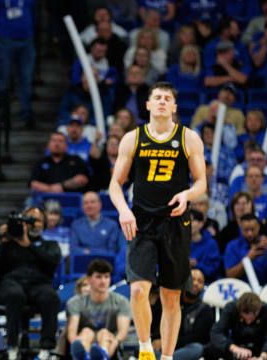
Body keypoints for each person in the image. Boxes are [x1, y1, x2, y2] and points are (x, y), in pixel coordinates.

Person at [108, 81, 207, 360]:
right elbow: (115, 184)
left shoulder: (189, 138)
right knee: (138, 290)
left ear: (174, 107)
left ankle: (167, 356)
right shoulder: (132, 138)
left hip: (175, 222)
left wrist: (188, 194)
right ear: (148, 105)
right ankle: (145, 348)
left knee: (171, 297)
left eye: (167, 98)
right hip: (141, 221)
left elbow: (201, 182)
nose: (162, 101)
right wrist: (123, 210)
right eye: (157, 97)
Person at [0, 207, 61, 360]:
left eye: (38, 220)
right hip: (12, 284)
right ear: (23, 223)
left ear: (44, 224)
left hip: (39, 285)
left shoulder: (50, 245)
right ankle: (12, 347)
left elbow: (52, 264)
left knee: (51, 296)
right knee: (15, 294)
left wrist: (29, 245)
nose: (34, 224)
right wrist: (4, 243)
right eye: (30, 220)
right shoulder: (8, 244)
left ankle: (45, 349)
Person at [67, 259, 131, 360]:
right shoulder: (75, 302)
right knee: (86, 332)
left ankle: (102, 355)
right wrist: (75, 343)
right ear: (88, 279)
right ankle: (85, 356)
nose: (103, 281)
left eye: (106, 277)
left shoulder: (121, 301)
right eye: (98, 277)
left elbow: (123, 331)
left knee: (104, 333)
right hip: (84, 338)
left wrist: (115, 343)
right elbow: (72, 332)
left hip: (109, 341)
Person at [204, 292, 267, 360]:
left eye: (252, 318)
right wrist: (234, 348)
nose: (248, 322)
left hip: (259, 349)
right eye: (245, 318)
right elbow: (216, 332)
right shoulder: (231, 307)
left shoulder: (265, 310)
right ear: (239, 311)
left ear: (258, 311)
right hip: (235, 347)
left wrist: (262, 357)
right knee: (209, 348)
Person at [70, 191, 121, 256]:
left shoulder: (112, 225)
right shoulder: (76, 224)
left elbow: (112, 250)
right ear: (82, 207)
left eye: (93, 202)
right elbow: (73, 248)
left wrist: (91, 253)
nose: (89, 205)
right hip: (83, 259)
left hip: (105, 261)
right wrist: (85, 253)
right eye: (86, 203)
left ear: (100, 205)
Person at [223, 214, 267, 285]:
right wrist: (248, 258)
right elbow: (230, 275)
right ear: (240, 228)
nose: (249, 233)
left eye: (252, 229)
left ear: (259, 227)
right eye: (246, 230)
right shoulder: (232, 246)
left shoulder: (265, 243)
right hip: (241, 290)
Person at [188, 210, 221, 282]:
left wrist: (197, 264)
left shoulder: (211, 243)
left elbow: (215, 269)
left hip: (207, 283)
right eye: (186, 221)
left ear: (201, 224)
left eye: (192, 221)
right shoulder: (179, 242)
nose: (189, 224)